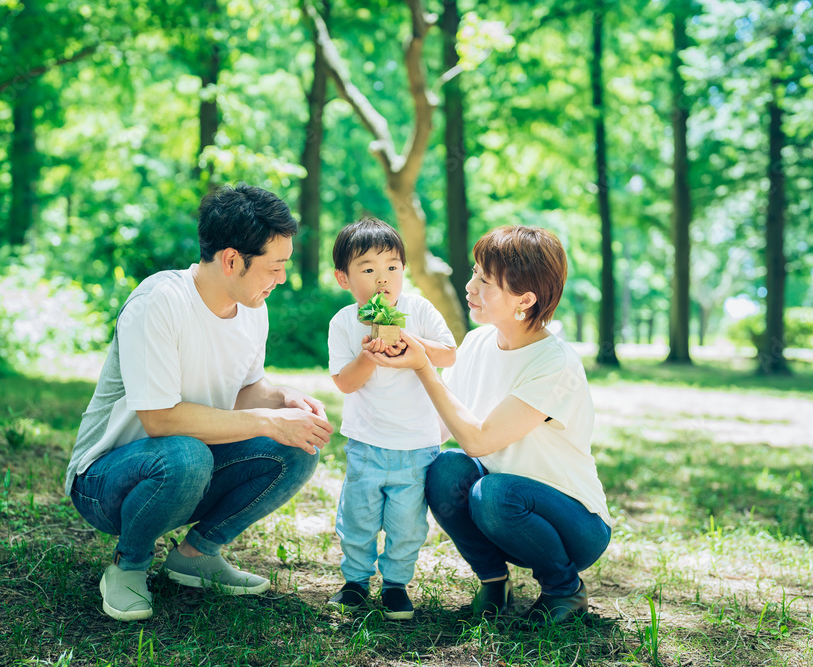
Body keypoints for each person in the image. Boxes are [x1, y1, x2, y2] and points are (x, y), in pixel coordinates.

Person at [65, 183, 334, 622]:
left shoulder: (252, 306)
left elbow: (244, 391)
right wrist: (266, 420)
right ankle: (128, 566)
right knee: (186, 455)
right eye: (275, 267)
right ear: (231, 260)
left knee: (297, 446)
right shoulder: (160, 302)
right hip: (105, 481)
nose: (281, 279)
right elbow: (159, 419)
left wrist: (284, 399)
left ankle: (196, 555)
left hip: (188, 467)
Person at [366, 225, 611, 627]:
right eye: (474, 272)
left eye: (485, 280)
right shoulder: (480, 343)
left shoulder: (555, 363)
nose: (469, 286)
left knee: (493, 492)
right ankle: (494, 580)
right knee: (446, 469)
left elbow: (478, 441)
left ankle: (564, 587)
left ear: (525, 299)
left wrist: (424, 367)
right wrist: (378, 452)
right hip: (501, 508)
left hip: (573, 523)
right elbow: (443, 428)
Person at [326, 217, 457, 620]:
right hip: (366, 443)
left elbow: (449, 353)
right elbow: (344, 383)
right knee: (358, 517)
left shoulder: (418, 310)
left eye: (392, 267)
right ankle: (355, 581)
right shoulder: (344, 323)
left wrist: (411, 344)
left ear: (404, 270)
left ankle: (397, 584)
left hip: (417, 445)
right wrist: (368, 355)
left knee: (407, 524)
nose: (382, 279)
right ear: (343, 278)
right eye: (368, 269)